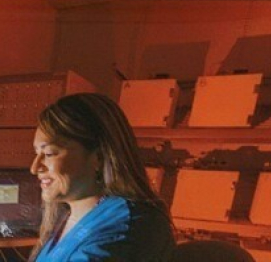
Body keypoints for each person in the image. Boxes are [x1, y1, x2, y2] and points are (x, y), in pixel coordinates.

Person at [30, 93, 175, 262]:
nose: (35, 168)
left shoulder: (125, 229)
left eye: (49, 153)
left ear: (99, 157)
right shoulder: (75, 215)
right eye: (36, 153)